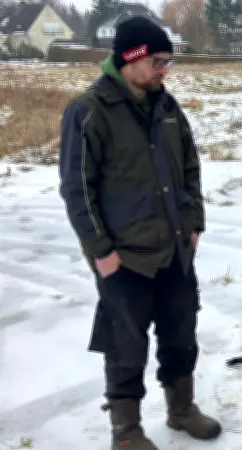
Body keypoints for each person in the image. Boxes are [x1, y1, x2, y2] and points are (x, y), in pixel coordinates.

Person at [57, 16, 221, 449]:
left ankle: (181, 409)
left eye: (169, 61)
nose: (165, 69)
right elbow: (77, 189)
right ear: (131, 57)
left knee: (181, 332)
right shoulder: (89, 112)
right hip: (124, 257)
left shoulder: (167, 108)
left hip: (175, 250)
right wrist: (100, 251)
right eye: (159, 60)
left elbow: (190, 168)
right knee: (125, 344)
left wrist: (194, 224)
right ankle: (126, 431)